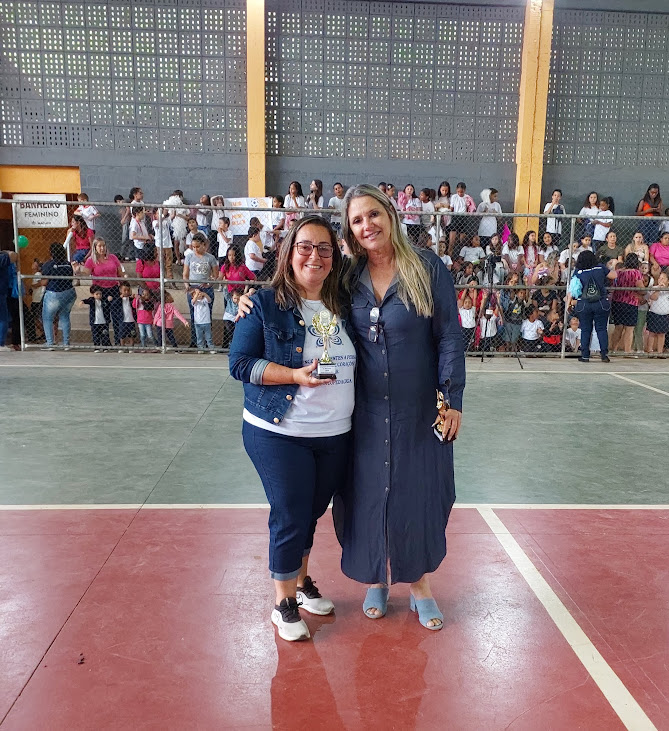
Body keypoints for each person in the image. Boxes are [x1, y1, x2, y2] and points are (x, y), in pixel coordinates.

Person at [338, 183, 465, 631]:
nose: (367, 225)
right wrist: (255, 303)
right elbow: (304, 299)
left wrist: (452, 398)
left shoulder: (427, 268)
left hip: (418, 409)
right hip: (364, 412)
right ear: (349, 230)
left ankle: (419, 583)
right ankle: (377, 576)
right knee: (367, 493)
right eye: (357, 220)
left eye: (373, 214)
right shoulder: (345, 278)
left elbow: (449, 336)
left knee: (417, 493)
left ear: (390, 214)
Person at [229, 215, 355, 641]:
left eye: (324, 248)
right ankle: (282, 601)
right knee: (290, 512)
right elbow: (240, 364)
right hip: (278, 431)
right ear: (288, 253)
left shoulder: (346, 304)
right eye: (305, 246)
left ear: (334, 257)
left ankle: (301, 583)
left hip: (335, 432)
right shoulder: (264, 304)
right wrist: (294, 376)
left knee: (311, 511)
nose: (314, 255)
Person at [567, 250, 617, 363]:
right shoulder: (600, 268)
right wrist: (611, 266)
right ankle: (604, 354)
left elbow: (572, 289)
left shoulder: (578, 272)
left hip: (584, 303)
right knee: (601, 329)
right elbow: (614, 275)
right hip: (601, 302)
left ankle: (585, 355)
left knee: (585, 329)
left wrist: (569, 303)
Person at [77, 238, 125, 346]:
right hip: (100, 291)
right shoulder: (91, 260)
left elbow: (120, 272)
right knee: (104, 317)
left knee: (117, 316)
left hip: (114, 288)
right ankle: (106, 342)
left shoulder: (112, 257)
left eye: (104, 245)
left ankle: (118, 341)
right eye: (99, 246)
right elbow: (86, 273)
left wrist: (124, 281)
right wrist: (78, 271)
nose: (102, 248)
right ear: (95, 247)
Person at [40, 243, 76, 350]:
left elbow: (44, 282)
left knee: (47, 318)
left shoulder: (48, 265)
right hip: (69, 293)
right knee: (64, 316)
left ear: (51, 253)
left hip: (54, 293)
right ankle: (66, 343)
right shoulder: (67, 264)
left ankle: (50, 343)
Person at [610, 253, 643, 354]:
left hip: (617, 301)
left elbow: (613, 285)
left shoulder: (618, 272)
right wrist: (642, 292)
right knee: (629, 328)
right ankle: (627, 351)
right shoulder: (636, 273)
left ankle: (613, 350)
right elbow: (641, 288)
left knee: (618, 327)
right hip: (630, 302)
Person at [79, 285, 112, 350]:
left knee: (105, 335)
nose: (99, 295)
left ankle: (105, 347)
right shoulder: (91, 300)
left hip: (104, 322)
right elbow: (86, 300)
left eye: (100, 294)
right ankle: (97, 347)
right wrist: (82, 301)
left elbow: (108, 301)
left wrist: (109, 298)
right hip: (95, 322)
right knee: (96, 335)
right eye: (97, 294)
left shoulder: (104, 300)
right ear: (92, 294)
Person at [646, 272, 669, 355]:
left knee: (662, 334)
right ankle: (650, 351)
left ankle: (660, 352)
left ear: (668, 281)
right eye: (659, 278)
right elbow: (653, 297)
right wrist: (658, 289)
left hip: (665, 315)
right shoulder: (655, 288)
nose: (660, 280)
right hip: (654, 313)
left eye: (663, 278)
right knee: (652, 333)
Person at [152, 206, 174, 286]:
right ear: (155, 215)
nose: (160, 215)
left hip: (168, 244)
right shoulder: (155, 222)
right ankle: (161, 281)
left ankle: (170, 280)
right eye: (158, 213)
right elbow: (158, 224)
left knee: (169, 264)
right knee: (160, 263)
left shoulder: (166, 220)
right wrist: (164, 215)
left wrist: (172, 207)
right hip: (159, 245)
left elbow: (172, 216)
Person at [118, 281, 137, 350]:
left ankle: (131, 347)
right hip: (123, 320)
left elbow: (135, 305)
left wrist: (135, 297)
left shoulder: (131, 299)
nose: (126, 292)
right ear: (120, 290)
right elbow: (114, 305)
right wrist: (120, 298)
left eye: (128, 290)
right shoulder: (119, 299)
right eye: (124, 290)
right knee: (122, 334)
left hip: (131, 320)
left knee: (132, 334)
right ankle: (122, 347)